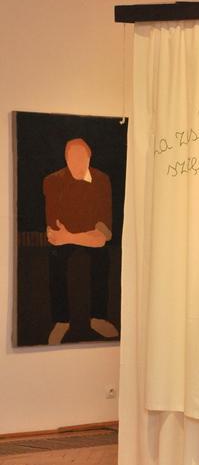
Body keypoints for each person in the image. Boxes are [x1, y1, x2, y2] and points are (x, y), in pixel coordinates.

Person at [43, 138, 119, 345]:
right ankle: (61, 321)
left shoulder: (102, 180)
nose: (76, 163)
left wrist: (71, 237)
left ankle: (98, 318)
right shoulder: (52, 181)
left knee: (102, 258)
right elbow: (54, 234)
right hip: (67, 237)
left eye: (81, 157)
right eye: (72, 158)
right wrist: (66, 237)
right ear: (65, 159)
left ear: (89, 158)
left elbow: (103, 236)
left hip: (89, 236)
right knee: (55, 257)